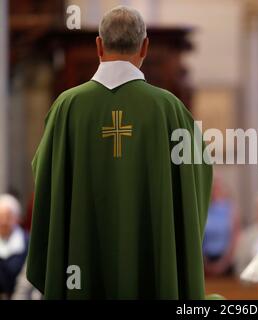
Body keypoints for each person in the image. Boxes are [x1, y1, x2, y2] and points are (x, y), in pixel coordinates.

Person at [27, 6, 212, 299]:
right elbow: (197, 179)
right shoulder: (169, 110)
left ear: (99, 45)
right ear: (145, 46)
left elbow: (46, 177)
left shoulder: (67, 107)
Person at [203, 175, 239, 276]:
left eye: (217, 187)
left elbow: (235, 237)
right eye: (212, 187)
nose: (214, 190)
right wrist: (205, 262)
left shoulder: (230, 208)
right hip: (205, 262)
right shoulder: (204, 208)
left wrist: (224, 263)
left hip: (226, 262)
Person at [0, 194, 28, 299]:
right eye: (0, 216)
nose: (3, 221)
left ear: (17, 218)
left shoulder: (27, 243)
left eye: (8, 217)